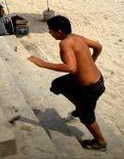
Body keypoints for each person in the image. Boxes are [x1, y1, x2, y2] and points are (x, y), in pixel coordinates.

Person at [28, 16, 107, 151]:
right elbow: (98, 46)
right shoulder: (76, 37)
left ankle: (100, 142)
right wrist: (93, 59)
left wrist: (43, 64)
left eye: (50, 30)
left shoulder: (65, 43)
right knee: (58, 84)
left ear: (59, 32)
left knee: (86, 117)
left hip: (90, 88)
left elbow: (71, 68)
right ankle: (79, 105)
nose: (49, 33)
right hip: (98, 80)